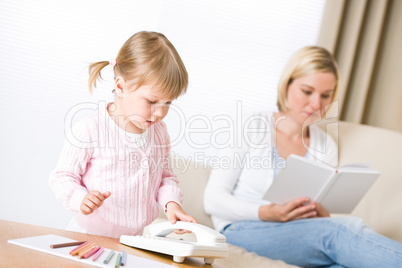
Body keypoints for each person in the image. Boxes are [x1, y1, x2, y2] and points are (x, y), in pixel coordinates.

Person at [204, 46, 402, 267]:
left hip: (297, 234)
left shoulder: (325, 145)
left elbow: (315, 217)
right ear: (287, 85)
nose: (316, 104)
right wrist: (267, 212)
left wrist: (318, 215)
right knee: (340, 231)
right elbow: (212, 199)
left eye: (326, 95)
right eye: (307, 91)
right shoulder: (252, 125)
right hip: (240, 229)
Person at [49, 31, 196, 238]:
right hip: (88, 235)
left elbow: (165, 177)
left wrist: (172, 205)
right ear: (121, 87)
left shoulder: (159, 132)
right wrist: (80, 198)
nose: (161, 112)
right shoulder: (91, 129)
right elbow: (63, 176)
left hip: (134, 240)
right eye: (152, 101)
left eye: (168, 103)